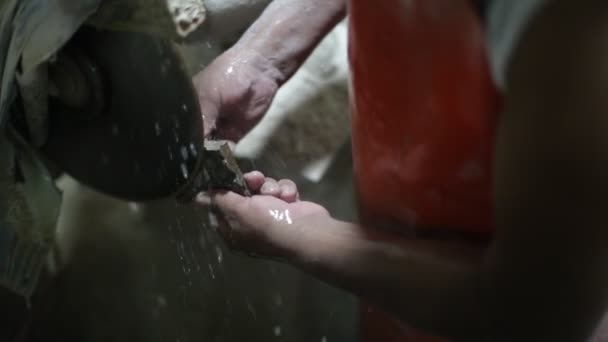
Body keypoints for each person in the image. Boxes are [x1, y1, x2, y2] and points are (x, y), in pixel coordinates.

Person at [193, 0, 608, 340]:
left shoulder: (577, 29)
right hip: (398, 280)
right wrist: (260, 59)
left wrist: (299, 233)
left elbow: (539, 309)